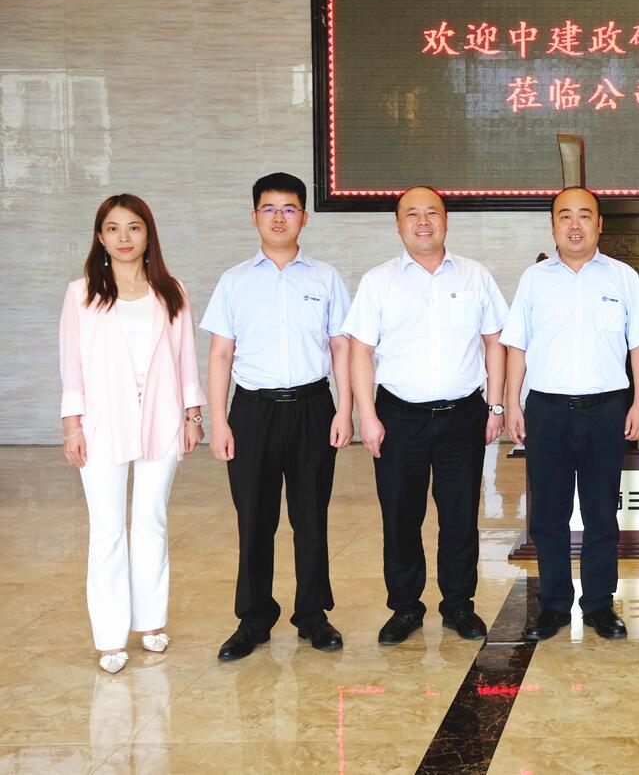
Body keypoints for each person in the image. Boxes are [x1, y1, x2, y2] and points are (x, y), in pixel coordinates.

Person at [345, 186, 509, 644]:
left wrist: (495, 405)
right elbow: (360, 351)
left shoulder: (475, 275)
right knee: (401, 517)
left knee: (460, 517)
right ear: (398, 224)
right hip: (399, 417)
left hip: (463, 415)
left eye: (431, 213)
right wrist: (366, 415)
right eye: (412, 214)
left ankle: (459, 606)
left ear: (446, 220)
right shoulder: (378, 281)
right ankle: (405, 608)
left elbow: (496, 341)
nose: (423, 222)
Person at [203, 173, 353, 661]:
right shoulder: (234, 281)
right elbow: (221, 354)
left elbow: (340, 348)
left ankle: (313, 615)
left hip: (313, 408)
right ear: (255, 217)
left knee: (310, 517)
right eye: (269, 209)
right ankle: (253, 619)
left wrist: (345, 409)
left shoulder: (325, 278)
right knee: (255, 519)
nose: (279, 218)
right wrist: (219, 421)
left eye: (289, 209)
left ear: (304, 217)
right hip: (253, 411)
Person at [502, 187, 639, 641]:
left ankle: (599, 605)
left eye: (584, 216)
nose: (575, 225)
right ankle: (553, 605)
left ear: (599, 224)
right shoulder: (534, 280)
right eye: (565, 216)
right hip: (546, 411)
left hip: (606, 411)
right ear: (553, 226)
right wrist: (512, 403)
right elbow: (517, 346)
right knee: (548, 516)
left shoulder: (622, 277)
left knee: (600, 513)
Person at [59, 194, 205, 674]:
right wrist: (72, 426)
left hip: (162, 419)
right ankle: (109, 636)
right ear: (100, 237)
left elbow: (185, 359)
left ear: (148, 234)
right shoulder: (81, 294)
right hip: (102, 424)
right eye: (113, 228)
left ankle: (151, 622)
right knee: (107, 529)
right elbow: (71, 366)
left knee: (150, 521)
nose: (124, 237)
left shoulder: (171, 291)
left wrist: (192, 416)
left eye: (134, 227)